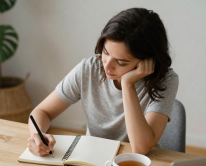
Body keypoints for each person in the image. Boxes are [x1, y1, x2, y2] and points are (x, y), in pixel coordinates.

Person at [27, 8, 178, 156]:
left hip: (136, 164)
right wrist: (37, 135)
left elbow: (140, 148)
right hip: (93, 158)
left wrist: (127, 84)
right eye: (105, 52)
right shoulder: (89, 69)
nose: (106, 66)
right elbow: (41, 112)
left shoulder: (165, 81)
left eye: (121, 62)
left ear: (147, 61)